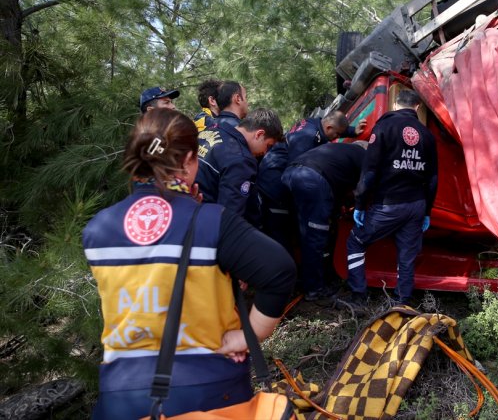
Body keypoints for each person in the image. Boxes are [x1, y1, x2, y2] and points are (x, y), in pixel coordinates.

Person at [82, 108, 296, 419]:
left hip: (121, 393)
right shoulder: (210, 221)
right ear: (186, 162)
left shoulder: (96, 230)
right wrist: (246, 335)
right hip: (208, 388)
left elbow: (149, 283)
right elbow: (279, 270)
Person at [345, 90, 438, 306]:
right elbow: (433, 178)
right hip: (416, 205)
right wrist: (427, 212)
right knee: (406, 255)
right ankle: (402, 301)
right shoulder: (427, 135)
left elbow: (370, 171)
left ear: (395, 105)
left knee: (355, 242)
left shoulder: (384, 127)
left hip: (388, 205)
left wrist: (359, 204)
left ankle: (359, 296)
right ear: (417, 107)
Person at [256, 110, 367, 248]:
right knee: (282, 235)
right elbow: (299, 169)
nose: (336, 138)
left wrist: (352, 131)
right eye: (337, 134)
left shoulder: (313, 123)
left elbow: (335, 126)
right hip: (274, 185)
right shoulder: (306, 138)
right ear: (328, 128)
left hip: (276, 177)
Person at [282, 141, 368, 300]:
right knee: (316, 237)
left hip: (290, 173)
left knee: (304, 233)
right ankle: (314, 289)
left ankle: (302, 279)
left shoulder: (340, 150)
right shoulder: (364, 156)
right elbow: (363, 189)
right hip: (312, 180)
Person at [195, 108, 282, 226]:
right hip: (205, 226)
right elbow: (229, 216)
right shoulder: (241, 160)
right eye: (268, 145)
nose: (266, 152)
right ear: (259, 134)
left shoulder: (211, 130)